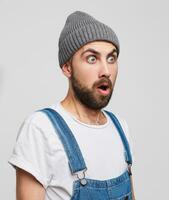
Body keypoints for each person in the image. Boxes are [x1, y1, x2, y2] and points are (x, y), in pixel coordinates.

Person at [8, 10, 136, 200]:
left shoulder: (120, 127)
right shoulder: (41, 129)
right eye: (92, 59)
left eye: (111, 58)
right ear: (67, 68)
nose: (106, 71)